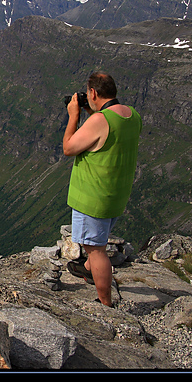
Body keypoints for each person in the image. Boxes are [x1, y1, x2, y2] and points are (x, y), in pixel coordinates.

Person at [62, 71, 142, 307]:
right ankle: (87, 268)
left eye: (88, 93)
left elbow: (69, 147)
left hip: (93, 197)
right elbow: (107, 138)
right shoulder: (131, 115)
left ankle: (105, 302)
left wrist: (74, 116)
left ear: (94, 92)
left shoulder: (99, 121)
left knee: (95, 249)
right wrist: (92, 113)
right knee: (97, 241)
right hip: (116, 194)